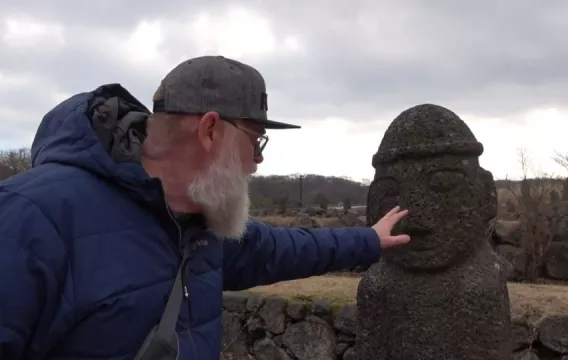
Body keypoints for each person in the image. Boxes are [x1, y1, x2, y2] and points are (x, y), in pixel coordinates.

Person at [0, 56, 410, 360]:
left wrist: (370, 239)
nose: (256, 162)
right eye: (256, 141)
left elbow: (287, 248)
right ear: (210, 130)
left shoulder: (200, 224)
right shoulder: (29, 217)